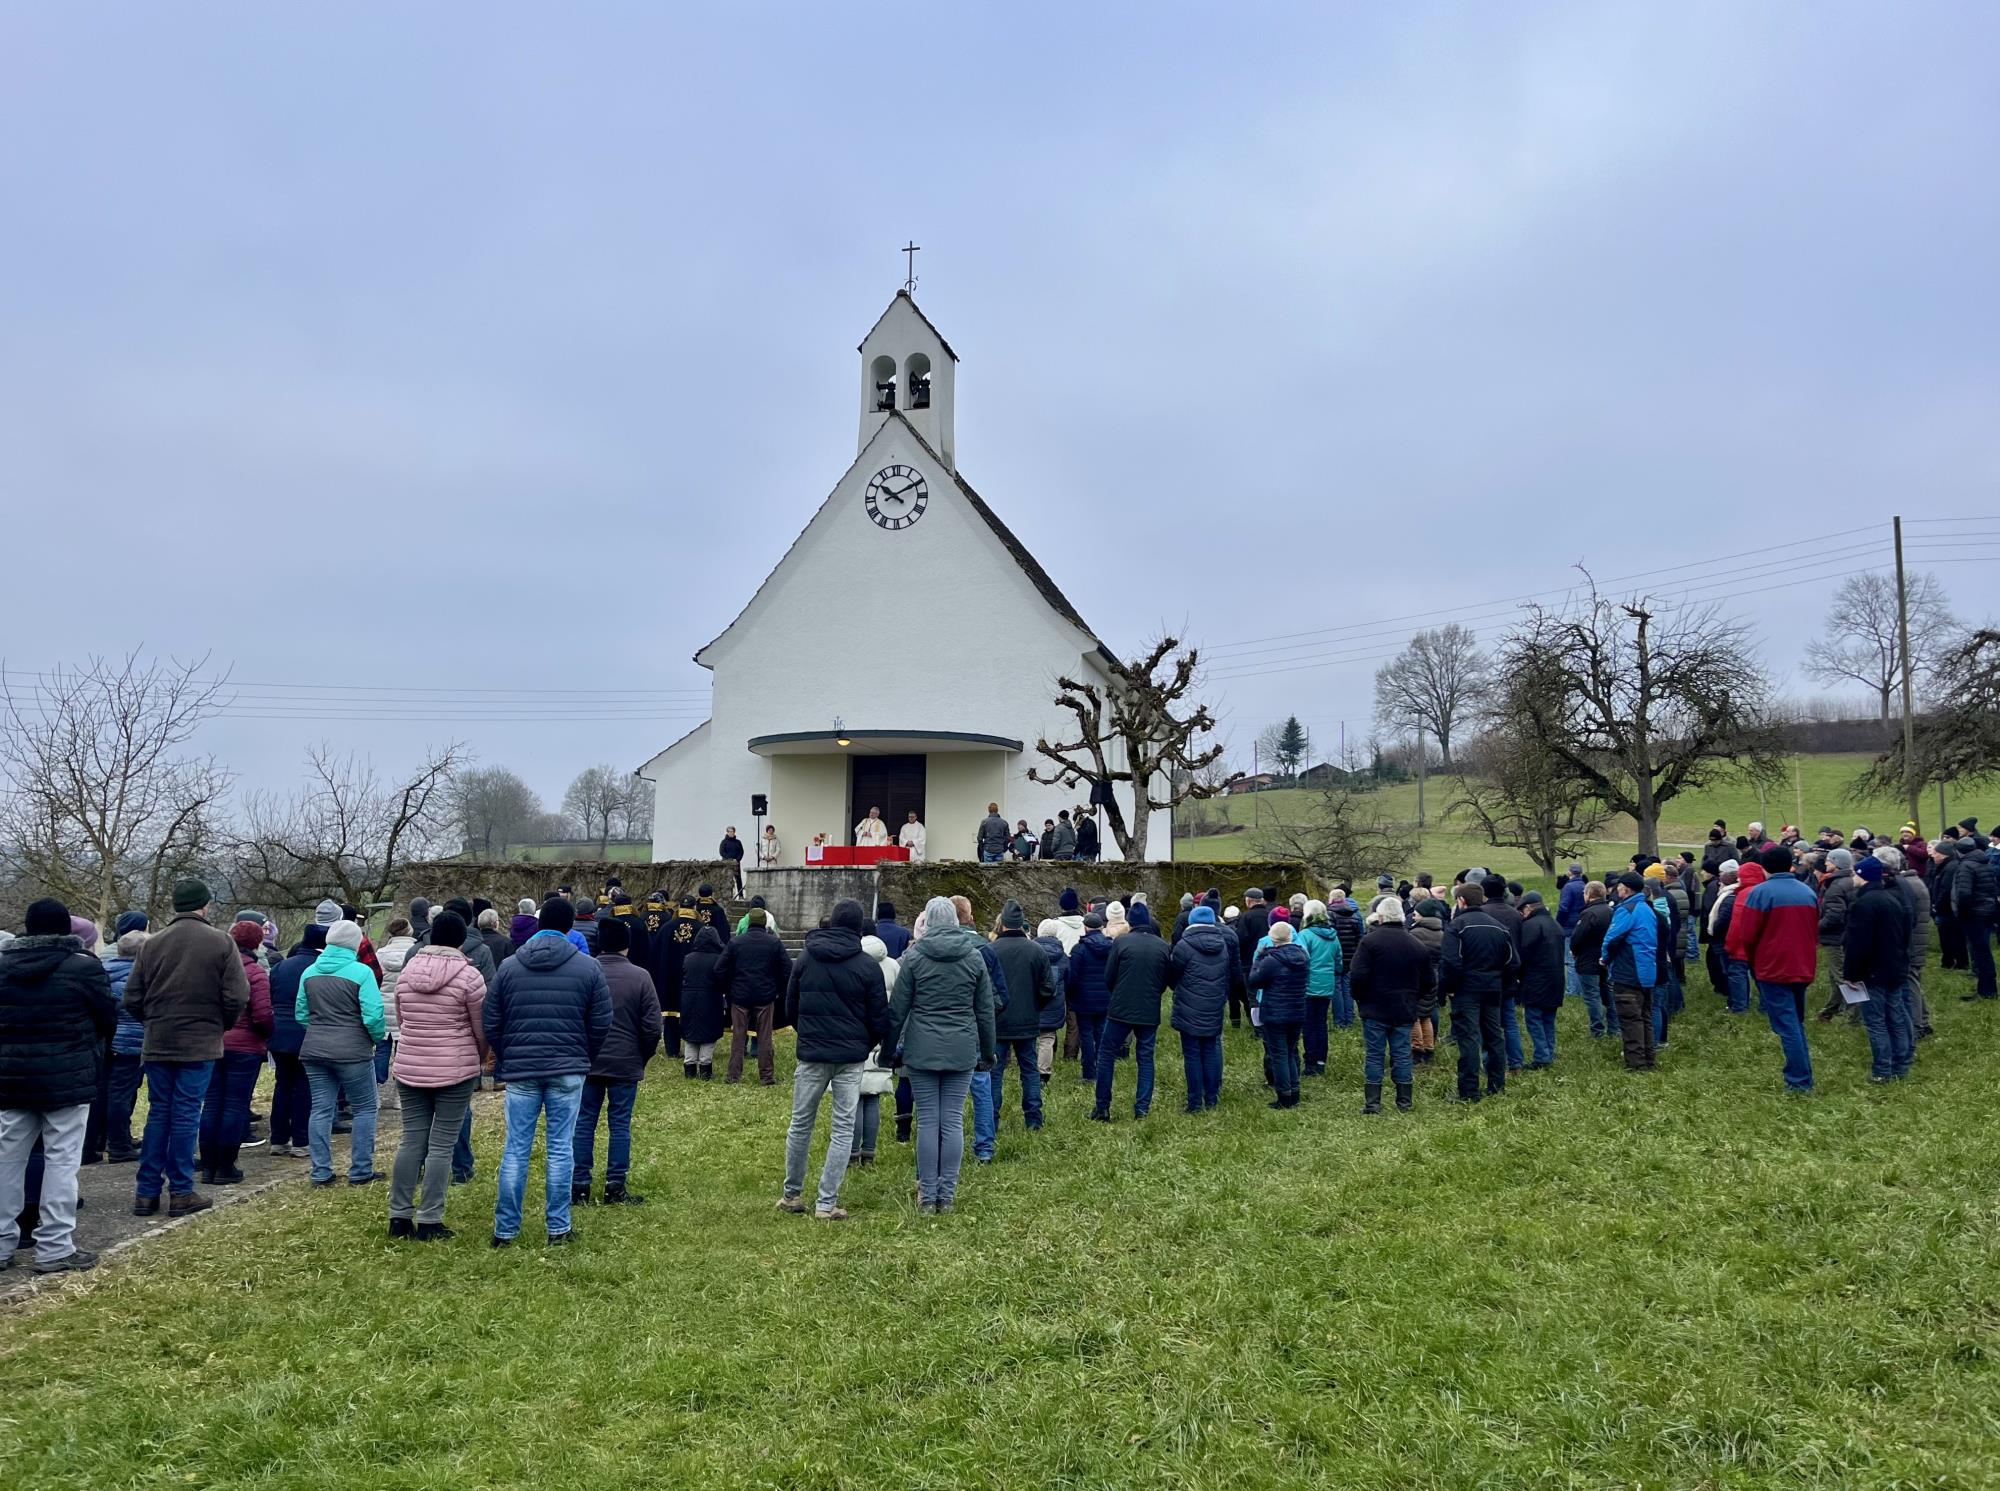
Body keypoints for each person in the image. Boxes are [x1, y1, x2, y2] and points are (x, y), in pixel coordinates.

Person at [486, 898, 612, 1247]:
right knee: (560, 1148)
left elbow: (491, 1019)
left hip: (522, 1070)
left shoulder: (510, 967)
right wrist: (584, 1054)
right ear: (570, 926)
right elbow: (601, 1021)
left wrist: (507, 1054)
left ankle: (505, 1230)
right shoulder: (587, 968)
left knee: (515, 1149)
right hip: (567, 1068)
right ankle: (558, 1227)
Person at [0, 899, 117, 1273]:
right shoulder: (84, 968)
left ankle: (2, 1243)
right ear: (66, 928)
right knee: (62, 1162)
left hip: (11, 1077)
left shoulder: (2, 967)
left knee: (7, 1161)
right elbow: (106, 1019)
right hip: (68, 1077)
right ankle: (54, 1246)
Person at [124, 879, 249, 1218]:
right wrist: (218, 1024)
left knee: (159, 1113)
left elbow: (132, 997)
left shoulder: (151, 945)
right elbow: (237, 996)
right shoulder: (221, 942)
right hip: (200, 1042)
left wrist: (154, 1020)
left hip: (160, 1040)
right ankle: (180, 1190)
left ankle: (146, 1192)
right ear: (204, 906)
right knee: (186, 1114)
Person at [776, 900, 891, 1221]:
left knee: (801, 1123)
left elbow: (791, 1005)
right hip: (851, 1057)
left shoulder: (807, 958)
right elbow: (879, 1018)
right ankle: (826, 1203)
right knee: (842, 1129)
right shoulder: (867, 966)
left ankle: (792, 1194)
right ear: (858, 930)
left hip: (812, 1053)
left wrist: (808, 1034)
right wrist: (863, 1045)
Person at [889, 897, 997, 1215]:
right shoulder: (973, 956)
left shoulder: (914, 956)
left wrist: (888, 1051)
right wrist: (987, 1052)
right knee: (951, 1122)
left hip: (921, 1049)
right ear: (955, 921)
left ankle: (928, 1195)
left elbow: (898, 1010)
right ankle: (946, 1196)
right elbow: (985, 1011)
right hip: (962, 1048)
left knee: (928, 1122)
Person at [387, 909, 488, 1241]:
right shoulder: (469, 977)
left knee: (411, 1139)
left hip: (410, 1065)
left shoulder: (407, 971)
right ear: (461, 939)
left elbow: (402, 1020)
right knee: (442, 1145)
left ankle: (399, 1216)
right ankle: (430, 1219)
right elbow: (480, 1027)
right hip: (454, 1068)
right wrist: (482, 1054)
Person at [570, 917, 661, 1207]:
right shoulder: (640, 976)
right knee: (619, 1124)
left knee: (584, 1122)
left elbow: (573, 1018)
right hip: (625, 1061)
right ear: (627, 945)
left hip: (588, 1062)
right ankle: (615, 1185)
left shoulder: (582, 973)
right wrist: (641, 1055)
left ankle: (579, 1185)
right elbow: (652, 1026)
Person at [298, 920, 388, 1187]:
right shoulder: (362, 973)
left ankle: (320, 1172)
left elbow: (301, 1014)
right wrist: (374, 1038)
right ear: (354, 943)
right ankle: (361, 1169)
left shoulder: (309, 972)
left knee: (321, 1110)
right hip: (353, 1051)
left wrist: (320, 1030)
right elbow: (373, 1015)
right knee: (365, 1108)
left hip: (315, 1048)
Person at [1727, 844, 1820, 1093]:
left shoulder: (1760, 893)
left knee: (1787, 1024)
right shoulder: (1807, 892)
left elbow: (1748, 934)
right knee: (1796, 1021)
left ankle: (1799, 1080)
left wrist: (1756, 959)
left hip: (1773, 966)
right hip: (1802, 965)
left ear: (1764, 868)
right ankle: (1803, 1072)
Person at [197, 922, 274, 1186]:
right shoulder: (255, 973)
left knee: (212, 1103)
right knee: (234, 1105)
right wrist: (265, 1034)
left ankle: (207, 1164)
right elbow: (263, 1014)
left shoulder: (212, 970)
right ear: (255, 943)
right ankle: (226, 1165)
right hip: (244, 1046)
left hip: (212, 1042)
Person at [1349, 897, 1432, 1113]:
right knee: (1402, 1053)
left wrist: (1359, 998)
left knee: (1375, 1054)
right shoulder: (1417, 945)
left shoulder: (1369, 943)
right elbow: (1429, 982)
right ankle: (1404, 1102)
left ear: (1381, 917)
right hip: (1404, 1008)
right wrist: (1414, 997)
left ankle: (1373, 1104)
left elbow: (1357, 976)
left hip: (1374, 1007)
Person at [1438, 881, 1515, 1103]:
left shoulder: (1457, 926)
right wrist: (1503, 984)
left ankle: (1469, 1090)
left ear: (1461, 901)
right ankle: (1496, 1085)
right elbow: (1512, 962)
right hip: (1492, 989)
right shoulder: (1499, 927)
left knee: (1469, 1039)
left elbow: (1451, 962)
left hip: (1466, 990)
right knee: (1494, 1037)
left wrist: (1448, 989)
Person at [1093, 903, 1168, 1121]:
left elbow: (1109, 975)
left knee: (1106, 1054)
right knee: (1145, 1058)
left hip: (1120, 1008)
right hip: (1149, 1009)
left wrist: (1118, 993)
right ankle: (1142, 1109)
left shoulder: (1121, 942)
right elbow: (1164, 981)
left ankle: (1102, 1107)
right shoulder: (1162, 946)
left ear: (1130, 922)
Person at [1843, 856, 1914, 1083]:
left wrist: (1851, 975)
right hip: (1895, 967)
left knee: (1875, 1021)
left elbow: (1858, 943)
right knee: (1896, 1017)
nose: (1853, 877)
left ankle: (1883, 1070)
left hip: (1872, 972)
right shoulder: (1893, 899)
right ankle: (1901, 1066)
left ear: (1863, 875)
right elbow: (1905, 935)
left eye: (1855, 873)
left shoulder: (1863, 904)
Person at [1166, 904, 1240, 1112]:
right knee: (1209, 1050)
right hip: (1214, 1003)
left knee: (1192, 1054)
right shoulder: (1223, 945)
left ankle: (1195, 1101)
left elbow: (1173, 975)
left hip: (1189, 1006)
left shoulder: (1183, 946)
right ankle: (1212, 1097)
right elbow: (1230, 975)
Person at [989, 900, 1053, 1132]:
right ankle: (1034, 1119)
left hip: (998, 1021)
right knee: (1029, 1070)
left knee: (994, 1073)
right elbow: (1048, 988)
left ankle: (991, 1120)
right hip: (1028, 1020)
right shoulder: (1036, 950)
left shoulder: (990, 951)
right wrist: (1034, 1006)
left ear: (1002, 923)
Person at [718, 908, 791, 1085]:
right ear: (764, 922)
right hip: (765, 997)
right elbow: (787, 969)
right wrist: (776, 988)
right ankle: (766, 1076)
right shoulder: (773, 943)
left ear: (749, 921)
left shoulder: (736, 942)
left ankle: (733, 1075)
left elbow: (719, 968)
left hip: (740, 996)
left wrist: (730, 989)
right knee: (765, 1037)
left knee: (738, 1037)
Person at [1600, 874, 1662, 1072]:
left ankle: (1636, 1064)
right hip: (1648, 971)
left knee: (1630, 1019)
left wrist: (1604, 958)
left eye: (1619, 887)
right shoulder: (1647, 909)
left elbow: (1611, 939)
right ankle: (1649, 1059)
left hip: (1628, 971)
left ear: (1625, 889)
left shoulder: (1626, 910)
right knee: (1645, 1017)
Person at [1247, 920, 1309, 1109]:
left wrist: (1258, 958)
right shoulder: (1303, 956)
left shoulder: (1271, 960)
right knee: (1290, 1051)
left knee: (1279, 1054)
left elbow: (1253, 980)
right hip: (1297, 1009)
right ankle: (1295, 1091)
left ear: (1272, 938)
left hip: (1275, 1012)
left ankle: (1284, 1095)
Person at [851, 934, 901, 1165]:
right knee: (873, 1098)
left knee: (854, 1098)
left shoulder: (854, 964)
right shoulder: (892, 965)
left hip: (856, 1037)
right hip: (882, 1038)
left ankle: (851, 1152)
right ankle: (869, 1152)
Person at [102, 918, 148, 1163]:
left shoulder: (105, 971)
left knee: (112, 1091)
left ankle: (112, 1137)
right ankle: (119, 1144)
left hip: (108, 1041)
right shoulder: (136, 977)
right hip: (131, 1042)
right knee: (122, 1093)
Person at [1515, 892, 1565, 1069]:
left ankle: (1542, 1056)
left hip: (1536, 980)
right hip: (1556, 979)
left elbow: (1524, 955)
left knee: (1534, 1019)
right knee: (1549, 1019)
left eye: (1522, 911)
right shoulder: (1555, 924)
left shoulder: (1530, 926)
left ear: (1528, 908)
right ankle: (1549, 1052)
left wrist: (1518, 975)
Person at [1295, 902, 1343, 1077]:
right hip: (1327, 984)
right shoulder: (1333, 936)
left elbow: (1301, 960)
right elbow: (1339, 961)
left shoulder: (1305, 935)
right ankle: (1321, 1061)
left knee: (1308, 1025)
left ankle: (1310, 1063)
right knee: (1321, 1023)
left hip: (1308, 985)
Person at [1065, 911, 1114, 1081]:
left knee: (1086, 1035)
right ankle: (1102, 1070)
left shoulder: (1079, 950)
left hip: (1083, 1000)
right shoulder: (1111, 947)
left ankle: (1088, 1073)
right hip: (1105, 998)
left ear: (1085, 928)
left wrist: (1070, 996)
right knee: (1101, 1034)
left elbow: (1073, 977)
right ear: (1101, 927)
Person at [1948, 835, 1998, 1000]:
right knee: (1983, 951)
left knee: (1981, 952)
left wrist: (1962, 914)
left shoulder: (1966, 866)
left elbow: (1963, 893)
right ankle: (1987, 987)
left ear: (1959, 851)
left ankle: (1987, 990)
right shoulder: (1984, 862)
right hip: (1988, 910)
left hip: (1974, 914)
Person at [376, 917, 417, 1114]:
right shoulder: (415, 954)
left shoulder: (380, 954)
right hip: (405, 1008)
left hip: (383, 1008)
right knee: (403, 1054)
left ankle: (375, 1094)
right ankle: (400, 1098)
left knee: (381, 1050)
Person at [678, 924, 727, 1079]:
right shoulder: (718, 959)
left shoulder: (688, 958)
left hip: (689, 999)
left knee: (690, 1032)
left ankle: (689, 1067)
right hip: (711, 999)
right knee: (709, 1033)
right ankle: (705, 1068)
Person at [1569, 882, 1618, 1037]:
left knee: (1592, 995)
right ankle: (1614, 1028)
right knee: (1609, 993)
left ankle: (1597, 1030)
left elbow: (1577, 937)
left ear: (1589, 894)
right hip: (1607, 958)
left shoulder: (1589, 914)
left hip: (1588, 960)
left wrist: (1574, 951)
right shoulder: (1611, 911)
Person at [1406, 891, 1447, 1060]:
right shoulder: (1442, 933)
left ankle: (1416, 1048)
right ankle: (1429, 1047)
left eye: (1416, 913)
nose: (1413, 916)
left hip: (1417, 977)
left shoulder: (1415, 934)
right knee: (1428, 1014)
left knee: (1414, 1015)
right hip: (1435, 976)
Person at [1324, 890, 1364, 1029]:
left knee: (1337, 987)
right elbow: (1360, 936)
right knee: (1347, 987)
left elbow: (1330, 935)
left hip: (1336, 955)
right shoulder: (1355, 915)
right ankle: (1349, 1016)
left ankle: (1339, 1020)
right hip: (1351, 956)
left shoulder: (1330, 915)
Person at [1232, 889, 1270, 1028]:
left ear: (1249, 900)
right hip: (1271, 960)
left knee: (1253, 996)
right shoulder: (1269, 915)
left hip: (1250, 962)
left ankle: (1258, 1027)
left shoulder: (1246, 917)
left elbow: (1240, 939)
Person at [720, 826, 746, 894]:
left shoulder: (738, 842)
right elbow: (722, 852)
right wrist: (730, 859)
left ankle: (740, 895)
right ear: (727, 832)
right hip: (727, 863)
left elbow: (741, 852)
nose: (732, 833)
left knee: (738, 879)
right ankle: (728, 895)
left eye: (733, 832)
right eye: (730, 832)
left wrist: (737, 859)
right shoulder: (724, 842)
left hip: (736, 863)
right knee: (727, 879)